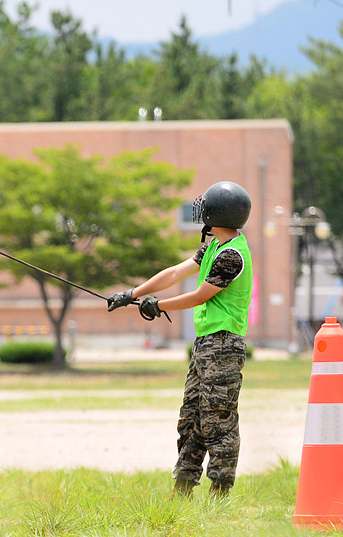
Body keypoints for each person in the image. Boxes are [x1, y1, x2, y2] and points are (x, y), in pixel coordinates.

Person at [107, 181, 253, 499]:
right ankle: (183, 489)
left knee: (218, 418)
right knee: (191, 416)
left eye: (206, 207)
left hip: (224, 345)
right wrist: (131, 294)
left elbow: (202, 295)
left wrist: (158, 306)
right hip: (206, 345)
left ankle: (220, 492)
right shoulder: (213, 247)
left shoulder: (232, 255)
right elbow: (174, 273)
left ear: (219, 214)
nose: (201, 212)